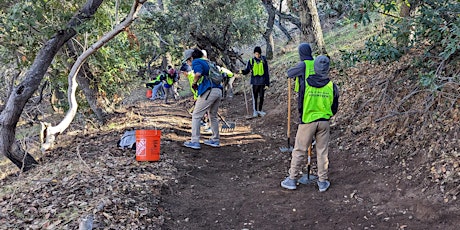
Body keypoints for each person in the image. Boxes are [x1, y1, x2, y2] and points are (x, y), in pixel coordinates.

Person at [280, 54, 339, 192]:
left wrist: (303, 118)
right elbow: (334, 107)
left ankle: (292, 179)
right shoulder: (332, 86)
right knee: (322, 152)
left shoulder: (305, 84)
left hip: (307, 121)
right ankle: (322, 182)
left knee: (299, 149)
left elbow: (300, 103)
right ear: (328, 69)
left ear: (315, 68)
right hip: (324, 122)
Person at [183, 48, 223, 150]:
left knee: (196, 115)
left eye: (187, 61)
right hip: (218, 90)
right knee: (212, 115)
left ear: (191, 58)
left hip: (209, 90)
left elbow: (198, 74)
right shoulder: (207, 61)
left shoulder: (196, 61)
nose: (188, 63)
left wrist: (194, 83)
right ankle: (215, 139)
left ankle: (195, 141)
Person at [240, 46, 270, 117]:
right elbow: (247, 70)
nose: (257, 55)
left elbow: (266, 72)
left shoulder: (264, 61)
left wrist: (267, 83)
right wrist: (242, 72)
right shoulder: (251, 61)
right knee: (255, 97)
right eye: (256, 54)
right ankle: (255, 111)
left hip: (262, 82)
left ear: (260, 54)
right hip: (254, 82)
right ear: (254, 54)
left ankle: (260, 110)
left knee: (262, 96)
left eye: (258, 54)